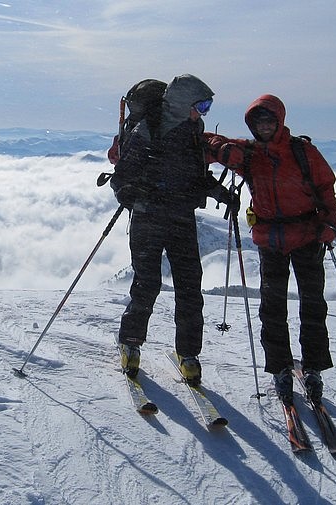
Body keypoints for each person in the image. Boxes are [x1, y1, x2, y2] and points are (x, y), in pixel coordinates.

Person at [205, 94, 336, 406]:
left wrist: (330, 223)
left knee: (312, 305)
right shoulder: (249, 153)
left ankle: (313, 367)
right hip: (271, 238)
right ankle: (280, 366)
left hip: (306, 235)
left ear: (279, 120)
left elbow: (325, 188)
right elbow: (208, 142)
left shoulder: (302, 151)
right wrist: (220, 148)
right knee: (273, 307)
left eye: (268, 121)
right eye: (257, 122)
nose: (263, 126)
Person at [112, 74, 235, 386]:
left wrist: (222, 194)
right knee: (147, 284)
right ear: (182, 104)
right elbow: (121, 179)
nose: (203, 112)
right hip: (149, 218)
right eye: (201, 105)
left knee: (190, 286)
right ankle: (130, 343)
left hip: (180, 216)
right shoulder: (147, 130)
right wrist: (139, 192)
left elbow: (196, 176)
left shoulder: (192, 131)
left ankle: (189, 353)